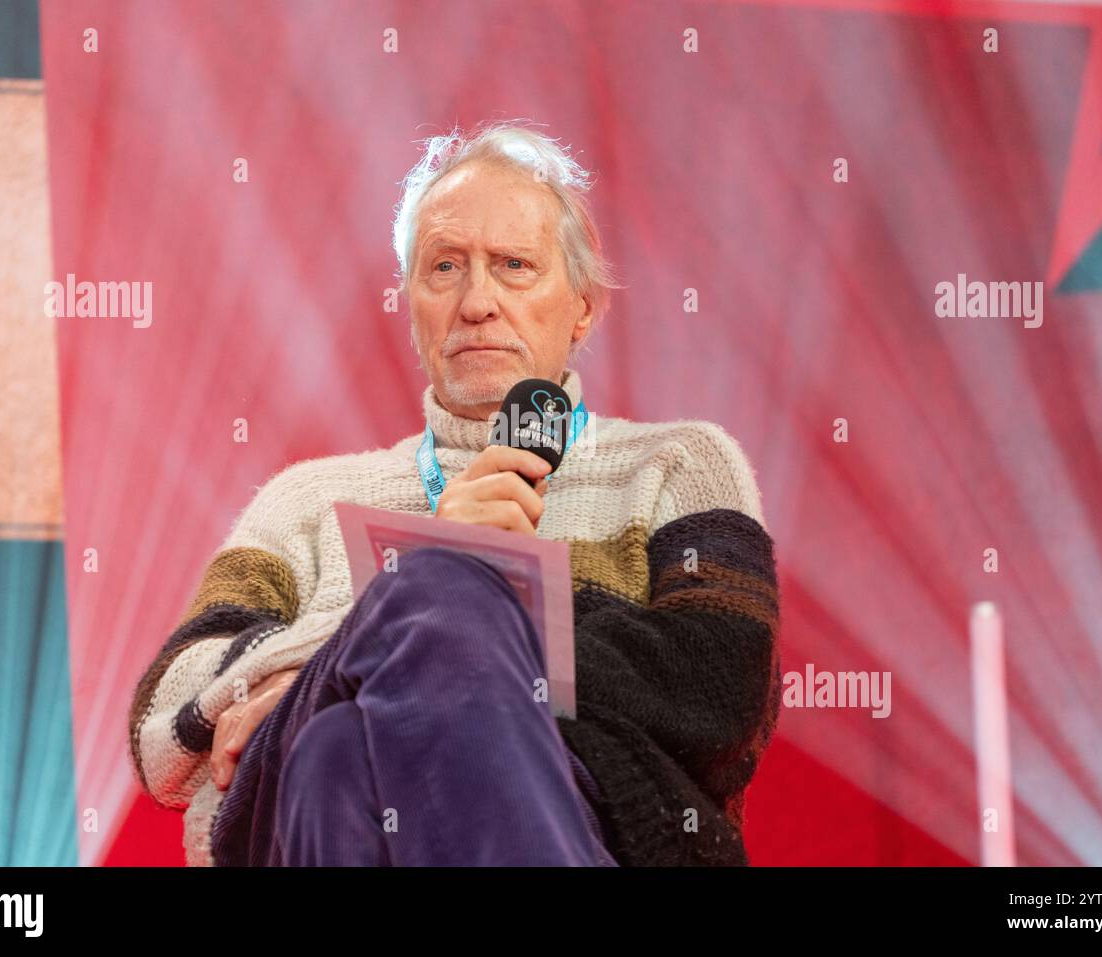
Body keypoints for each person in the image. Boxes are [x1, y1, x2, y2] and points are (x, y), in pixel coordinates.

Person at [127, 121, 781, 866]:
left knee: (341, 741)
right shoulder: (306, 499)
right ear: (411, 304)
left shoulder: (676, 465)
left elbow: (718, 691)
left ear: (584, 307)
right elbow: (162, 724)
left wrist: (402, 620)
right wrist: (396, 616)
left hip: (593, 827)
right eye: (444, 267)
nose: (477, 302)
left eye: (513, 265)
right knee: (372, 688)